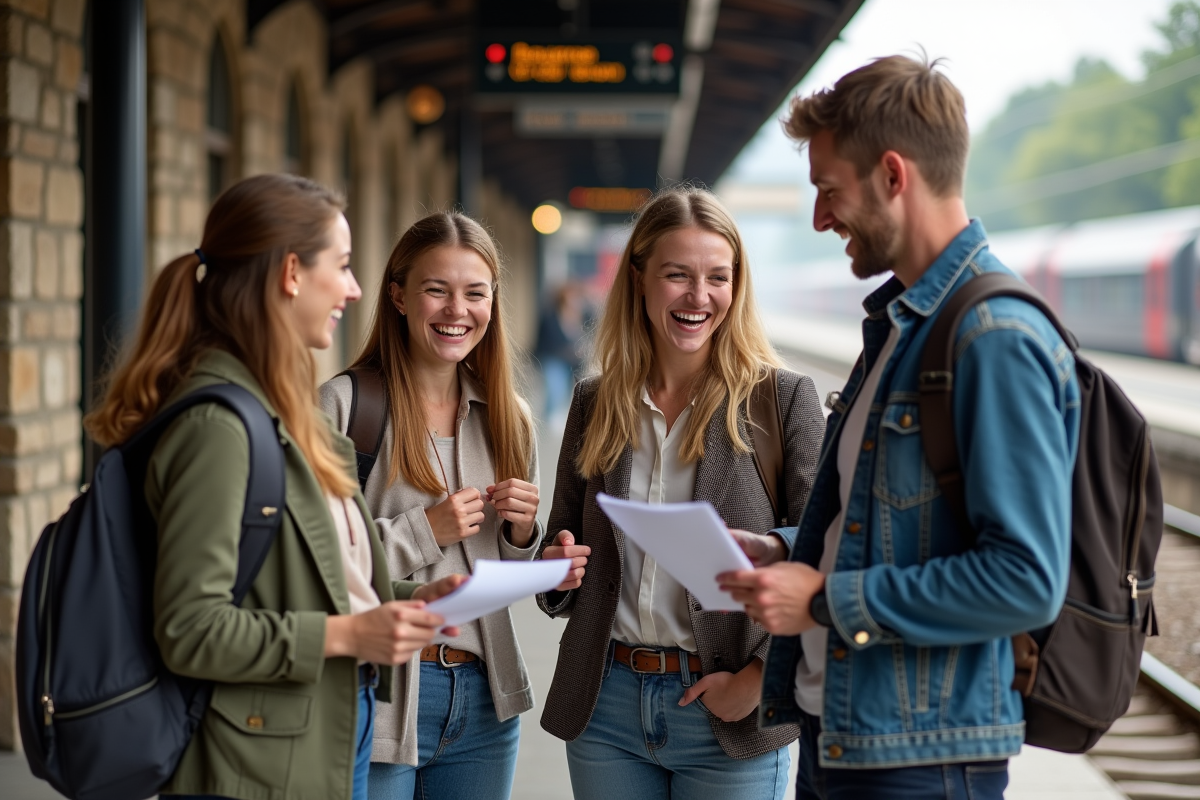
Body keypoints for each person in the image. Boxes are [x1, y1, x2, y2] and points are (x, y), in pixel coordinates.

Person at [718, 56, 1081, 800]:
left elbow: (1026, 580)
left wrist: (822, 600)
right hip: (844, 735)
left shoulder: (992, 339)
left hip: (921, 760)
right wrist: (786, 549)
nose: (821, 218)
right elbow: (884, 521)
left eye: (829, 191)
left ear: (893, 175)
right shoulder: (899, 328)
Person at [84, 174, 464, 800]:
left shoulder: (273, 405)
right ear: (291, 273)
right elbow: (190, 627)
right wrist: (349, 634)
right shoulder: (218, 426)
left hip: (314, 731)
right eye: (341, 266)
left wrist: (408, 596)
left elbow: (296, 571)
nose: (355, 288)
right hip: (256, 762)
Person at [535, 186, 826, 800]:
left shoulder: (781, 401)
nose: (699, 297)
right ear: (639, 279)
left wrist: (760, 679)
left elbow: (828, 552)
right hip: (606, 705)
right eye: (678, 276)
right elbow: (561, 553)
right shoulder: (595, 403)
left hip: (729, 709)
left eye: (718, 277)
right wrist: (555, 567)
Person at [319, 211, 542, 800]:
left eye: (474, 293)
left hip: (485, 703)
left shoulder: (508, 417)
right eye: (435, 290)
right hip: (382, 693)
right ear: (398, 295)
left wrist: (525, 537)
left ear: (493, 302)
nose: (456, 310)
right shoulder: (344, 407)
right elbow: (314, 564)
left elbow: (509, 574)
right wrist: (426, 530)